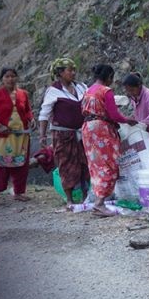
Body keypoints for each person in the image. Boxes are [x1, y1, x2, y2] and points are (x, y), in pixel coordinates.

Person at [81, 64, 136, 217]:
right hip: (101, 130)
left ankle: (99, 201)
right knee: (109, 165)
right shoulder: (106, 91)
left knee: (96, 165)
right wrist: (128, 120)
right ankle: (99, 204)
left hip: (88, 128)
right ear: (109, 76)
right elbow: (114, 115)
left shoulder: (88, 90)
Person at [38, 58, 89, 206]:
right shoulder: (53, 91)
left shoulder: (81, 87)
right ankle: (70, 199)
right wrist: (42, 135)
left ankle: (86, 196)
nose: (73, 73)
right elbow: (44, 114)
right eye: (70, 70)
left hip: (81, 133)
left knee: (84, 163)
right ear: (60, 73)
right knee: (66, 165)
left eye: (74, 70)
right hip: (63, 135)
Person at [0, 67, 33, 207]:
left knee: (21, 164)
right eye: (7, 76)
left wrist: (31, 119)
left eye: (13, 76)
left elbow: (28, 110)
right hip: (4, 136)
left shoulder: (23, 94)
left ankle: (19, 193)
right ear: (2, 79)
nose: (10, 79)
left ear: (17, 78)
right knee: (0, 165)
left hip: (21, 136)